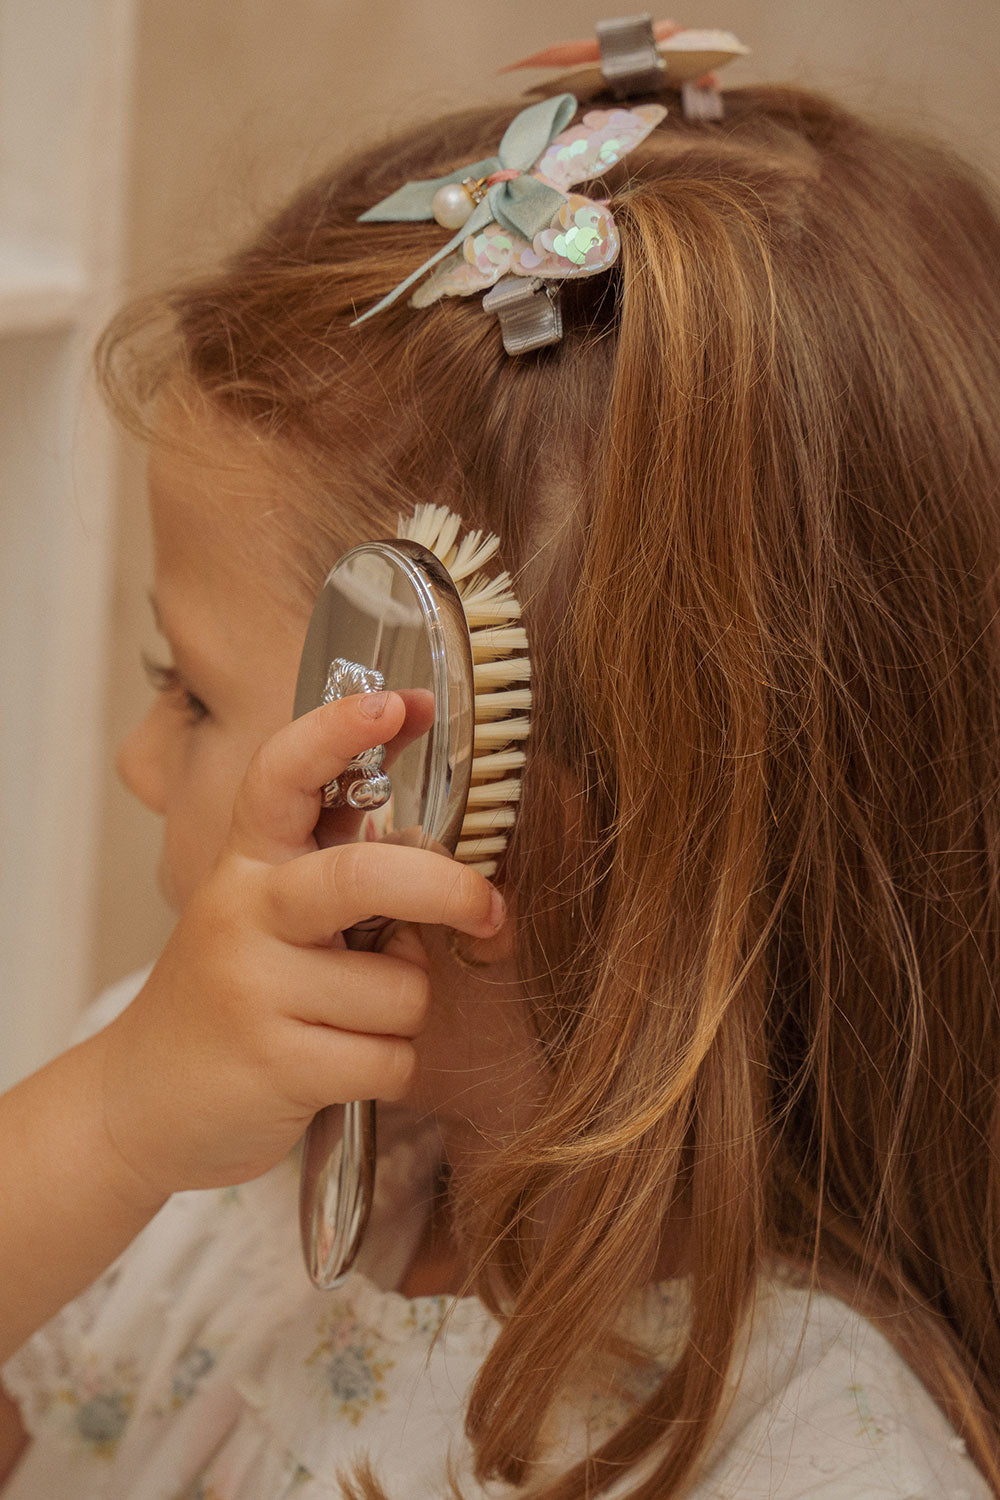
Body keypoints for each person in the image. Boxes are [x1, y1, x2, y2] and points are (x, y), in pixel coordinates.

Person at [1, 62, 1000, 1500]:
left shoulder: (807, 1454)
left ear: (465, 825)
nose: (138, 758)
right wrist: (103, 1128)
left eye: (191, 693)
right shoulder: (191, 1134)